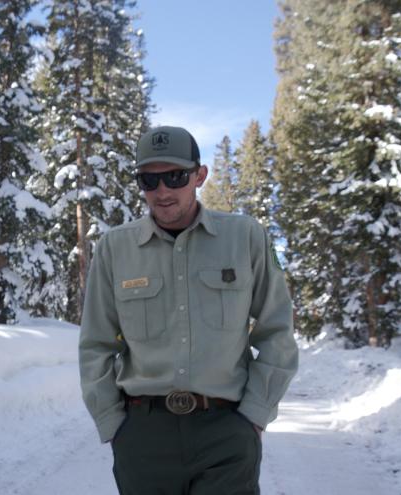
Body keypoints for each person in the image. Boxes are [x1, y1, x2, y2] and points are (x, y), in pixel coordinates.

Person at [79, 125, 299, 495]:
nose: (162, 191)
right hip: (143, 438)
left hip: (226, 432)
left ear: (199, 176)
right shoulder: (114, 249)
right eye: (149, 180)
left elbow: (277, 330)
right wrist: (113, 424)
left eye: (175, 177)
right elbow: (96, 344)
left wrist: (254, 417)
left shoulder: (246, 237)